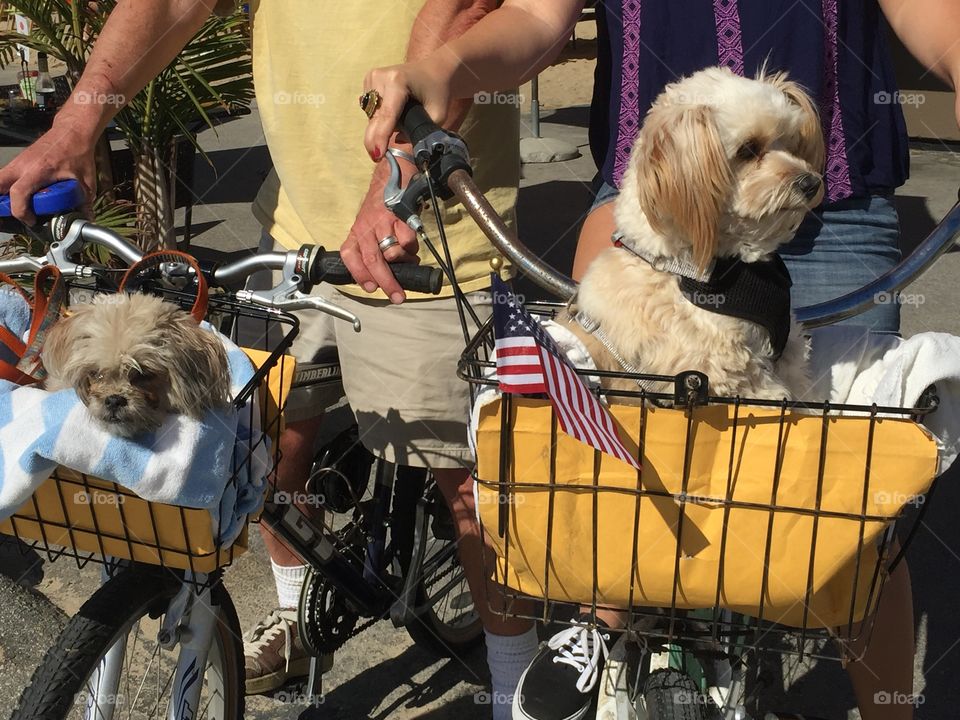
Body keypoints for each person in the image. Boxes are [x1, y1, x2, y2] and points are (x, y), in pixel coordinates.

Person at [364, 1, 960, 719]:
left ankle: (889, 710)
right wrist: (442, 66)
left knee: (853, 510)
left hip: (828, 202)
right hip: (654, 199)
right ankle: (600, 628)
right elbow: (533, 12)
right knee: (608, 460)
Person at [0, 1, 540, 717]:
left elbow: (468, 12)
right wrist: (75, 125)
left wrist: (395, 184)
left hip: (425, 239)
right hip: (292, 233)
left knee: (469, 490)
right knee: (260, 450)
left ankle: (515, 685)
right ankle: (294, 618)